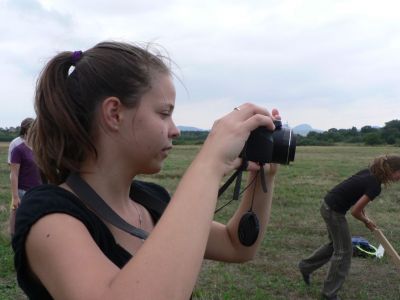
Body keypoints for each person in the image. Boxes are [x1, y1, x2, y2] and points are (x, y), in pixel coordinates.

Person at [12, 41, 281, 300]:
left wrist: (261, 175)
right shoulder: (48, 217)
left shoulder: (151, 201)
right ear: (114, 113)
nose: (174, 130)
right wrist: (210, 163)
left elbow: (237, 245)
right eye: (164, 113)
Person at [298, 155, 400, 300]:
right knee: (344, 251)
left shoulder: (369, 172)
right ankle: (329, 293)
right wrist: (366, 221)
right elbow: (355, 211)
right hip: (334, 211)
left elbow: (357, 200)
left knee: (335, 245)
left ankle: (305, 267)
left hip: (328, 205)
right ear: (393, 170)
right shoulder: (375, 186)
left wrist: (366, 218)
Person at [9, 117, 42, 235]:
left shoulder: (38, 147)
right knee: (19, 218)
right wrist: (15, 196)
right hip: (23, 190)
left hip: (37, 189)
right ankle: (15, 238)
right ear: (27, 130)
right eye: (34, 128)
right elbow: (14, 173)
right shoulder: (18, 149)